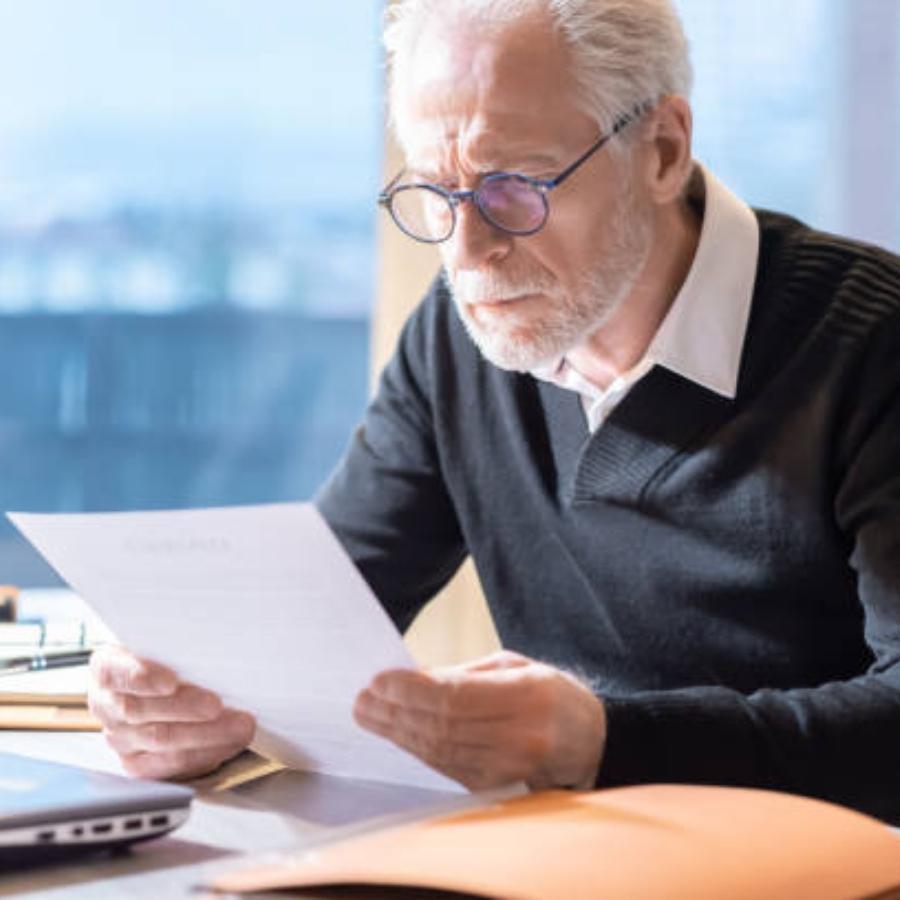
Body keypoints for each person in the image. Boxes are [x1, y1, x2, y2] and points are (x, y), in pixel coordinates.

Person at [88, 0, 900, 821]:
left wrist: (601, 742)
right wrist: (201, 709)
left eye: (512, 187)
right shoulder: (459, 337)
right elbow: (322, 624)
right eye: (434, 193)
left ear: (661, 150)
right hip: (563, 857)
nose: (466, 254)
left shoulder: (873, 343)